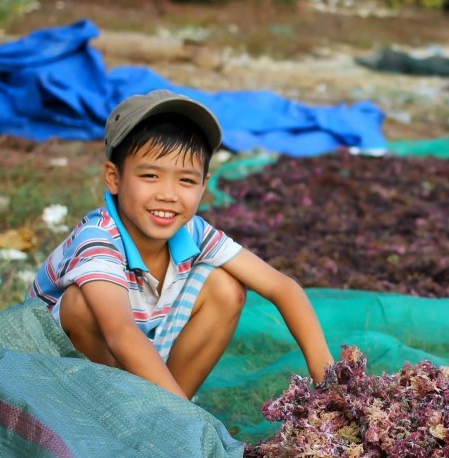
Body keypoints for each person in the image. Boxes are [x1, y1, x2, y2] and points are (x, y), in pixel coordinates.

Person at [30, 90, 334, 400]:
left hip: (135, 355)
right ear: (114, 178)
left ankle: (166, 416)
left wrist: (330, 382)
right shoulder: (98, 239)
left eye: (186, 181)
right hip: (51, 379)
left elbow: (281, 287)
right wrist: (186, 420)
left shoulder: (194, 232)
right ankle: (149, 417)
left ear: (204, 185)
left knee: (225, 287)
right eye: (150, 175)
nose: (168, 194)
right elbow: (120, 334)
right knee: (81, 305)